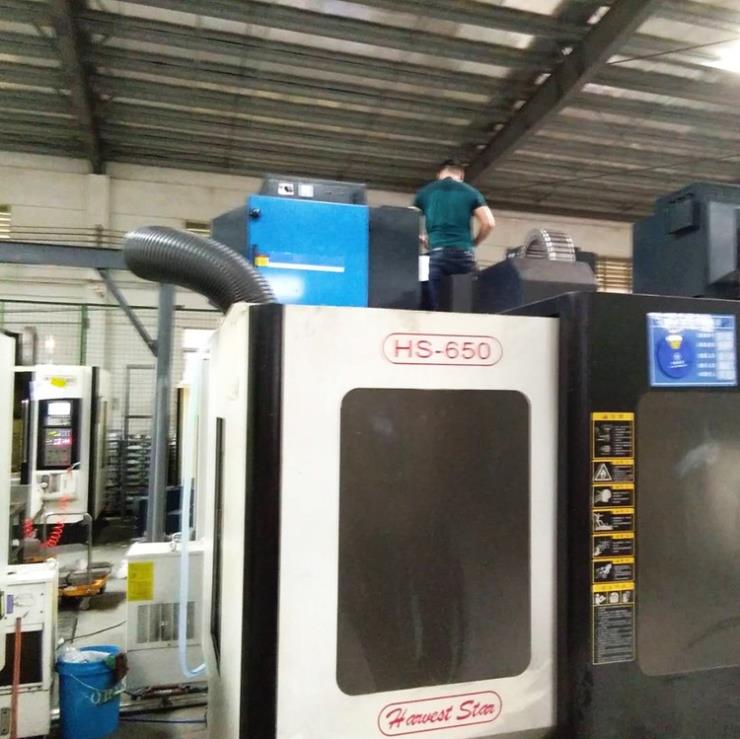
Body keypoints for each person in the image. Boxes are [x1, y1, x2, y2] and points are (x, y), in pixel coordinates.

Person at [413, 159, 495, 310]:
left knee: (431, 308)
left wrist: (422, 237)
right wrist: (474, 243)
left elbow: (407, 219)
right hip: (464, 256)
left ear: (439, 174)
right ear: (461, 175)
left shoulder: (425, 192)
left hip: (435, 257)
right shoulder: (471, 192)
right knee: (474, 305)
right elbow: (489, 223)